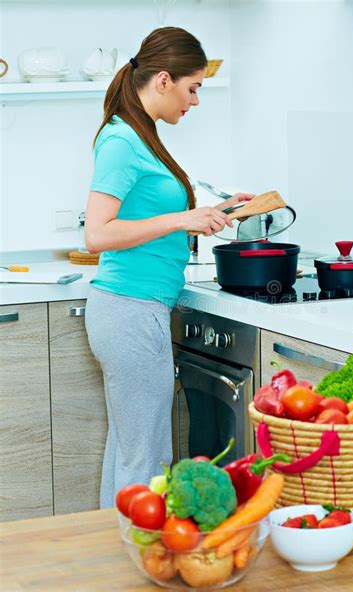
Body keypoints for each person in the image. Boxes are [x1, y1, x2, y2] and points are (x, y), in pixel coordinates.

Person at [84, 26, 254, 508]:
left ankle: (118, 555)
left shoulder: (140, 134)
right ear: (163, 79)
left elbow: (145, 212)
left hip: (137, 308)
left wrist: (218, 208)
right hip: (129, 311)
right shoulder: (121, 140)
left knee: (130, 447)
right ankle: (142, 565)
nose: (195, 100)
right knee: (146, 455)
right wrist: (183, 217)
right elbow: (97, 234)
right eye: (193, 87)